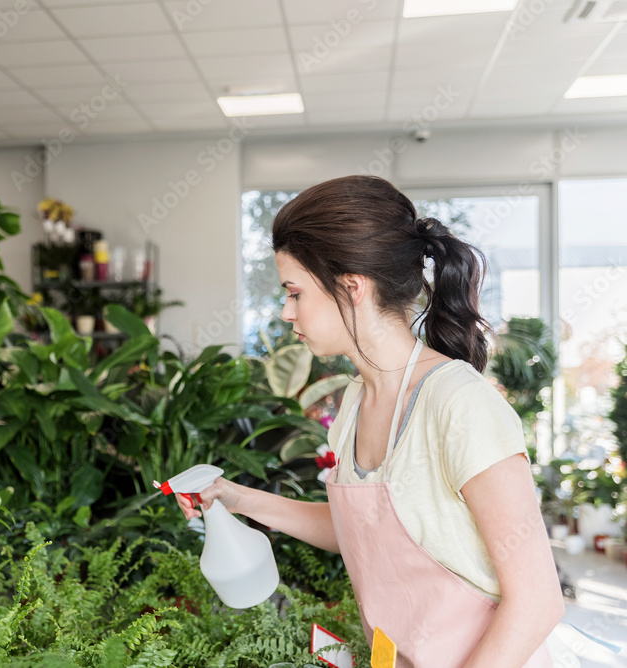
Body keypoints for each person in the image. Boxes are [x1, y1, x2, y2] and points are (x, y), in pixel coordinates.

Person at [177, 175, 567, 668]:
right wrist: (234, 498)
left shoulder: (459, 403)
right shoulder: (356, 402)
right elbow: (360, 528)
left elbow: (536, 602)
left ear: (352, 287)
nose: (286, 312)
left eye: (295, 293)